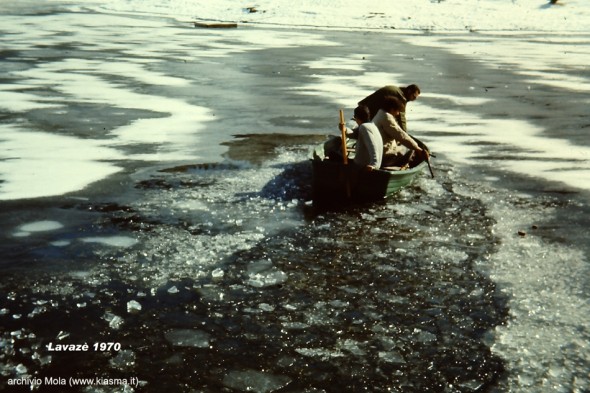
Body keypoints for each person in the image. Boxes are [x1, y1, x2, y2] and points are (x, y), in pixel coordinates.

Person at [372, 96, 427, 168]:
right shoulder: (387, 118)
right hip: (383, 156)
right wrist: (417, 148)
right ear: (392, 109)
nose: (398, 114)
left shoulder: (379, 114)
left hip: (375, 153)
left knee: (402, 146)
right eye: (397, 111)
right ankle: (404, 165)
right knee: (410, 149)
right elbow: (401, 136)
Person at [351, 105, 383, 171]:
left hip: (363, 167)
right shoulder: (372, 125)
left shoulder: (364, 127)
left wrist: (374, 164)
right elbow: (354, 134)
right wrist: (345, 130)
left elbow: (372, 145)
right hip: (371, 164)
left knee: (333, 155)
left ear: (357, 117)